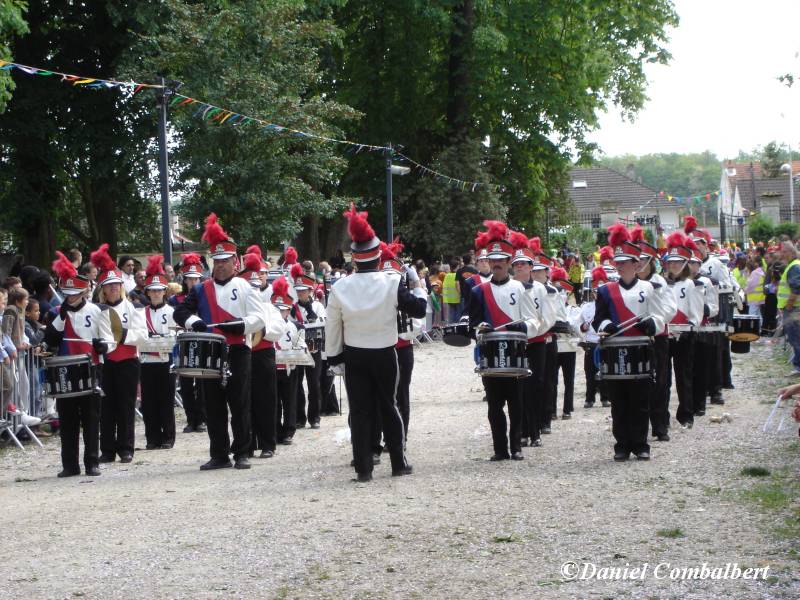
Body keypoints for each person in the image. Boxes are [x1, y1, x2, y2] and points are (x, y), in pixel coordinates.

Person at [325, 204, 426, 482]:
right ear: (379, 256)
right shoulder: (392, 281)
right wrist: (419, 286)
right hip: (385, 353)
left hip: (354, 354)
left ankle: (364, 468)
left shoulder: (340, 287)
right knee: (389, 406)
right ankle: (398, 463)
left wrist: (334, 357)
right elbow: (418, 309)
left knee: (359, 411)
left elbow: (332, 325)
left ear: (355, 259)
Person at [173, 214, 266, 470]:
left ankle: (242, 452)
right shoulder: (201, 289)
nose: (222, 265)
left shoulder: (246, 287)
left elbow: (260, 318)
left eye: (226, 261)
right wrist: (194, 322)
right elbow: (180, 312)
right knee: (213, 405)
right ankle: (219, 454)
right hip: (209, 352)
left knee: (240, 403)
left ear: (235, 262)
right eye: (218, 261)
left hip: (237, 350)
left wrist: (241, 325)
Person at [468, 221, 541, 462]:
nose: (497, 263)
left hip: (515, 354)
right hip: (491, 356)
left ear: (509, 261)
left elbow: (534, 320)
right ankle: (500, 448)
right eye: (493, 260)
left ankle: (516, 446)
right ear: (488, 262)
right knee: (494, 406)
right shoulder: (479, 291)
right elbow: (472, 324)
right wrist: (480, 328)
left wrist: (523, 327)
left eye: (501, 259)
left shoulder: (520, 288)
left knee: (516, 403)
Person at [592, 224, 665, 461]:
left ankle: (641, 444)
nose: (621, 265)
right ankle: (622, 445)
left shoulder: (649, 288)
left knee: (641, 400)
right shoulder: (606, 291)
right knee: (619, 401)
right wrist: (606, 326)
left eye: (625, 262)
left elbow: (659, 316)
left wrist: (652, 324)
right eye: (618, 262)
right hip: (615, 351)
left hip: (641, 349)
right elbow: (597, 320)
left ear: (636, 264)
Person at [44, 252, 113, 477]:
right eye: (68, 294)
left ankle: (92, 462)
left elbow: (109, 340)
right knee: (68, 419)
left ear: (84, 292)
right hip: (64, 369)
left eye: (75, 294)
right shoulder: (56, 312)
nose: (71, 298)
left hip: (91, 368)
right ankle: (70, 465)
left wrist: (103, 346)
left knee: (91, 418)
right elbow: (50, 340)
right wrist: (61, 317)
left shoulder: (98, 310)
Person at [91, 244, 148, 464]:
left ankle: (126, 448)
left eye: (116, 284)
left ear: (121, 286)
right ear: (103, 289)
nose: (113, 288)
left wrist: (121, 334)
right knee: (106, 408)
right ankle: (106, 450)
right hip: (106, 364)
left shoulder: (134, 307)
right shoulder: (97, 310)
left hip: (128, 362)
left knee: (125, 406)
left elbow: (142, 336)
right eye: (109, 285)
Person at [630, 225, 677, 442]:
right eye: (636, 260)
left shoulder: (659, 282)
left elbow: (670, 309)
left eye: (643, 260)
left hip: (658, 337)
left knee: (661, 381)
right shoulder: (629, 284)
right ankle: (638, 425)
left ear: (650, 262)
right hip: (635, 338)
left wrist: (655, 323)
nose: (639, 264)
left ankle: (660, 424)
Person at [238, 252, 285, 458]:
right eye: (251, 287)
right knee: (243, 401)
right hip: (242, 354)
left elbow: (279, 329)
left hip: (263, 354)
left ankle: (268, 444)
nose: (254, 291)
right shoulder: (238, 307)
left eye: (256, 287)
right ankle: (246, 445)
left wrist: (261, 330)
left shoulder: (268, 308)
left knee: (266, 400)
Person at [663, 232, 704, 431]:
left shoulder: (690, 284)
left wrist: (690, 328)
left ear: (685, 264)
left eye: (677, 262)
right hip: (665, 334)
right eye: (671, 262)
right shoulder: (662, 283)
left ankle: (686, 414)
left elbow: (696, 312)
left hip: (684, 336)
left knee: (684, 377)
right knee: (663, 378)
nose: (673, 265)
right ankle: (662, 416)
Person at [139, 255, 177, 450]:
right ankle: (152, 438)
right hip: (146, 362)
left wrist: (158, 340)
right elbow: (138, 337)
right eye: (152, 290)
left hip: (165, 361)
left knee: (166, 401)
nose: (155, 293)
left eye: (158, 290)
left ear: (164, 291)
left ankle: (168, 437)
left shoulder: (172, 312)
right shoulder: (140, 313)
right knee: (149, 403)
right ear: (147, 292)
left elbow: (174, 338)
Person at [169, 253, 207, 433]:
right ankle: (191, 419)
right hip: (183, 344)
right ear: (184, 280)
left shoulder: (205, 297)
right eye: (190, 279)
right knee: (185, 383)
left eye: (196, 279)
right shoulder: (175, 300)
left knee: (202, 382)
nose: (193, 282)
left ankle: (202, 418)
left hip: (203, 343)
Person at [291, 262, 326, 430]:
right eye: (298, 290)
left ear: (310, 290)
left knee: (314, 384)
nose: (300, 293)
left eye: (303, 290)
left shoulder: (318, 306)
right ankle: (300, 417)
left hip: (314, 348)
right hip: (298, 349)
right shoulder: (292, 308)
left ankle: (314, 417)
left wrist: (312, 316)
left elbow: (322, 325)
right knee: (297, 384)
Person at [271, 276, 301, 446]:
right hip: (273, 367)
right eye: (276, 309)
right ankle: (276, 431)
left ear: (288, 311)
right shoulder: (268, 325)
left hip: (290, 367)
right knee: (274, 401)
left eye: (282, 310)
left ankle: (289, 431)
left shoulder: (294, 326)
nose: (279, 313)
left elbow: (299, 346)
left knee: (289, 400)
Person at [580, 268, 609, 408]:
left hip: (604, 342)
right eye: (595, 291)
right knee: (589, 373)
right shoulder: (586, 307)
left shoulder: (609, 306)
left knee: (605, 371)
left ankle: (605, 397)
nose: (597, 293)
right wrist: (583, 327)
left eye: (599, 291)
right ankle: (589, 398)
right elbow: (579, 325)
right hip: (591, 342)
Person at [441, 258, 461, 322]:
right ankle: (457, 326)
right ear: (457, 267)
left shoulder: (447, 275)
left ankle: (451, 325)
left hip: (450, 299)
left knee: (451, 314)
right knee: (458, 314)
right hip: (458, 298)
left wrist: (445, 298)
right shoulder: (458, 275)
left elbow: (444, 287)